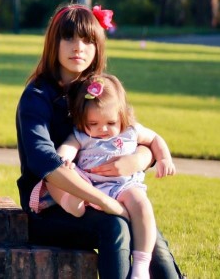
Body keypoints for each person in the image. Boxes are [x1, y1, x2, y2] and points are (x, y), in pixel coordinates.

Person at [16, 3, 183, 278]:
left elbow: (132, 133)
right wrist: (105, 203)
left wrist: (137, 160)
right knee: (116, 226)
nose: (78, 47)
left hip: (106, 192)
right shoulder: (36, 97)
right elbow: (43, 160)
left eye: (87, 40)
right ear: (53, 43)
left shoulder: (98, 91)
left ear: (98, 47)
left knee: (149, 234)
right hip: (52, 206)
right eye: (68, 37)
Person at [43, 73, 176, 279]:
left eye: (110, 122)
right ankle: (73, 202)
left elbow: (155, 139)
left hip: (124, 186)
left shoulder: (131, 131)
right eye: (93, 123)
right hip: (92, 187)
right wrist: (64, 159)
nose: (102, 129)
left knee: (142, 206)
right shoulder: (82, 136)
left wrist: (165, 158)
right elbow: (67, 148)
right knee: (71, 183)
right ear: (82, 119)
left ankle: (141, 265)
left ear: (122, 115)